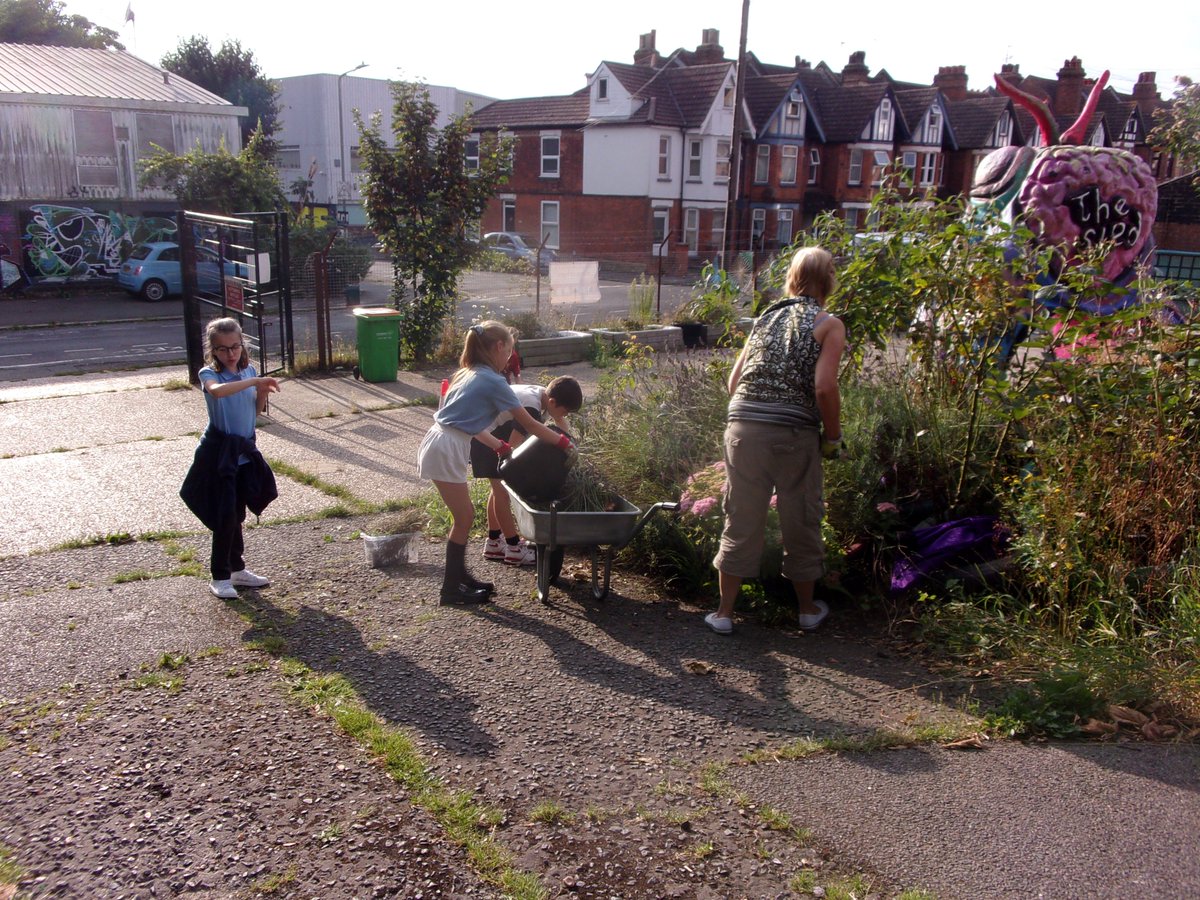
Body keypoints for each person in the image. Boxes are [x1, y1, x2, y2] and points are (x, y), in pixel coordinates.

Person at [705, 246, 846, 635]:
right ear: (828, 280)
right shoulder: (828, 324)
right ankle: (805, 610)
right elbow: (824, 387)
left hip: (742, 428)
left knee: (741, 517)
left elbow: (733, 383)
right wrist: (833, 437)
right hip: (793, 434)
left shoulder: (766, 318)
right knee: (800, 517)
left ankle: (724, 614)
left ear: (792, 278)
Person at [417, 321, 576, 604]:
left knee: (462, 517)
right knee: (464, 518)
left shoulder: (468, 373)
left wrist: (497, 444)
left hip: (440, 441)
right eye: (510, 351)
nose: (510, 359)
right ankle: (450, 590)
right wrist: (565, 443)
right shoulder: (493, 379)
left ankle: (460, 577)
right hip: (447, 447)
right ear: (499, 347)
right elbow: (530, 424)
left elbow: (466, 421)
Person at [180, 317, 280, 600]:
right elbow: (218, 393)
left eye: (235, 346)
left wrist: (260, 391)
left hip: (243, 452)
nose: (231, 353)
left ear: (242, 344)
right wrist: (255, 380)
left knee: (236, 513)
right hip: (218, 454)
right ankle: (219, 576)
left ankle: (237, 569)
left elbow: (255, 412)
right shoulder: (208, 374)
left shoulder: (249, 370)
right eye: (223, 349)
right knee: (224, 515)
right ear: (213, 351)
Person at [470, 375, 583, 566]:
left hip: (490, 435)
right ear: (553, 402)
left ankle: (494, 541)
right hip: (485, 439)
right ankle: (513, 547)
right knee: (502, 492)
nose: (564, 416)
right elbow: (513, 449)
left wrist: (573, 445)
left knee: (497, 490)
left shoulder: (543, 396)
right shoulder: (531, 405)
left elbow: (560, 426)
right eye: (565, 412)